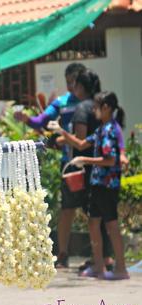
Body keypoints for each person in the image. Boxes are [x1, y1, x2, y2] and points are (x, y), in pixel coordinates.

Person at [49, 91, 129, 280]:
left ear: (106, 108)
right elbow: (82, 143)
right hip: (97, 184)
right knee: (93, 223)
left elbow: (110, 160)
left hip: (107, 185)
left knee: (111, 225)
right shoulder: (102, 128)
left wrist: (84, 160)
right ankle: (99, 267)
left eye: (96, 107)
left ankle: (121, 269)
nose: (93, 111)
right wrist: (62, 132)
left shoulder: (110, 129)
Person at [15, 63, 86, 268]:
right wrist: (27, 119)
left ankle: (100, 256)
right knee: (67, 209)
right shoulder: (62, 102)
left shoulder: (91, 102)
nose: (71, 85)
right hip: (69, 163)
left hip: (92, 160)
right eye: (68, 81)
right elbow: (41, 121)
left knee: (95, 212)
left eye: (75, 81)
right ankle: (62, 254)